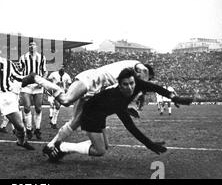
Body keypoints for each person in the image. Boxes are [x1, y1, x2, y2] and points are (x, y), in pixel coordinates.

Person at [43, 68, 193, 162]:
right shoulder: (117, 100)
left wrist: (174, 97)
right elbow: (130, 126)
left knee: (105, 146)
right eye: (125, 84)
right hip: (90, 114)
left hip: (100, 113)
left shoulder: (137, 84)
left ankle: (61, 146)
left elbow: (156, 88)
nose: (130, 87)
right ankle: (62, 147)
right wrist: (149, 144)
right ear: (119, 85)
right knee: (100, 151)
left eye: (132, 83)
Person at [23, 60, 154, 149]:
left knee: (75, 122)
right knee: (66, 100)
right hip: (91, 79)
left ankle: (51, 146)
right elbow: (142, 69)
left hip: (96, 90)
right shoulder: (138, 66)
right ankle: (36, 78)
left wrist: (128, 106)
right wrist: (143, 83)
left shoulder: (128, 78)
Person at [0, 48, 35, 150]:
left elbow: (18, 77)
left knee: (19, 126)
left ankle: (21, 142)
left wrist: (30, 78)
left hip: (6, 95)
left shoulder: (8, 64)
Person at [18, 41, 47, 140]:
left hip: (37, 85)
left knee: (38, 108)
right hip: (26, 85)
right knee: (26, 107)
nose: (31, 46)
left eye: (33, 45)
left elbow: (45, 71)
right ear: (28, 47)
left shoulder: (41, 57)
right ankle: (29, 129)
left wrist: (41, 81)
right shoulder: (23, 57)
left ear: (36, 47)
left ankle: (37, 129)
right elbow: (19, 71)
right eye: (30, 45)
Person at [47, 65, 72, 129]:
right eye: (60, 67)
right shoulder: (53, 74)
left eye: (63, 67)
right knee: (55, 105)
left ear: (64, 68)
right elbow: (48, 80)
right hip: (54, 91)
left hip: (61, 92)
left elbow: (69, 84)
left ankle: (53, 121)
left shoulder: (67, 76)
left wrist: (67, 89)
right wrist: (52, 85)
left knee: (57, 107)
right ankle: (54, 122)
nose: (61, 68)